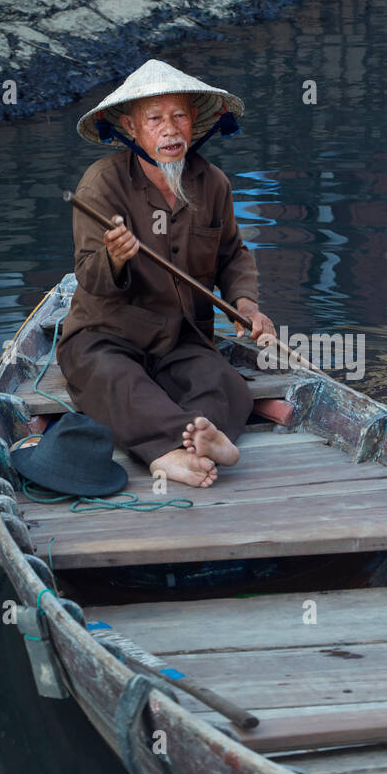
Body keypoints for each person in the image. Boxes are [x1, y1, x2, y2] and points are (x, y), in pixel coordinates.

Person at [57, 60, 276, 488]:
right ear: (130, 127)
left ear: (195, 122)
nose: (170, 130)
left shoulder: (212, 183)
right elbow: (89, 275)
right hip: (106, 336)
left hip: (181, 336)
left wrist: (246, 305)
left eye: (179, 116)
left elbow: (232, 254)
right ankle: (170, 451)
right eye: (155, 119)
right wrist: (115, 258)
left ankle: (196, 441)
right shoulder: (100, 185)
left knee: (225, 383)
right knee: (114, 378)